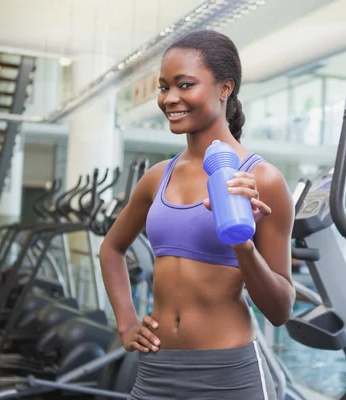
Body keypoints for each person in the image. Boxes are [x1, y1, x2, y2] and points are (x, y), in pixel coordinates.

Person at [99, 29, 295, 400]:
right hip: (156, 369)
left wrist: (243, 243)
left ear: (225, 88)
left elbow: (281, 309)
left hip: (229, 374)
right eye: (164, 87)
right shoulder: (158, 177)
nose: (170, 98)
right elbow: (111, 249)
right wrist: (125, 324)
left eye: (185, 85)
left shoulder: (261, 178)